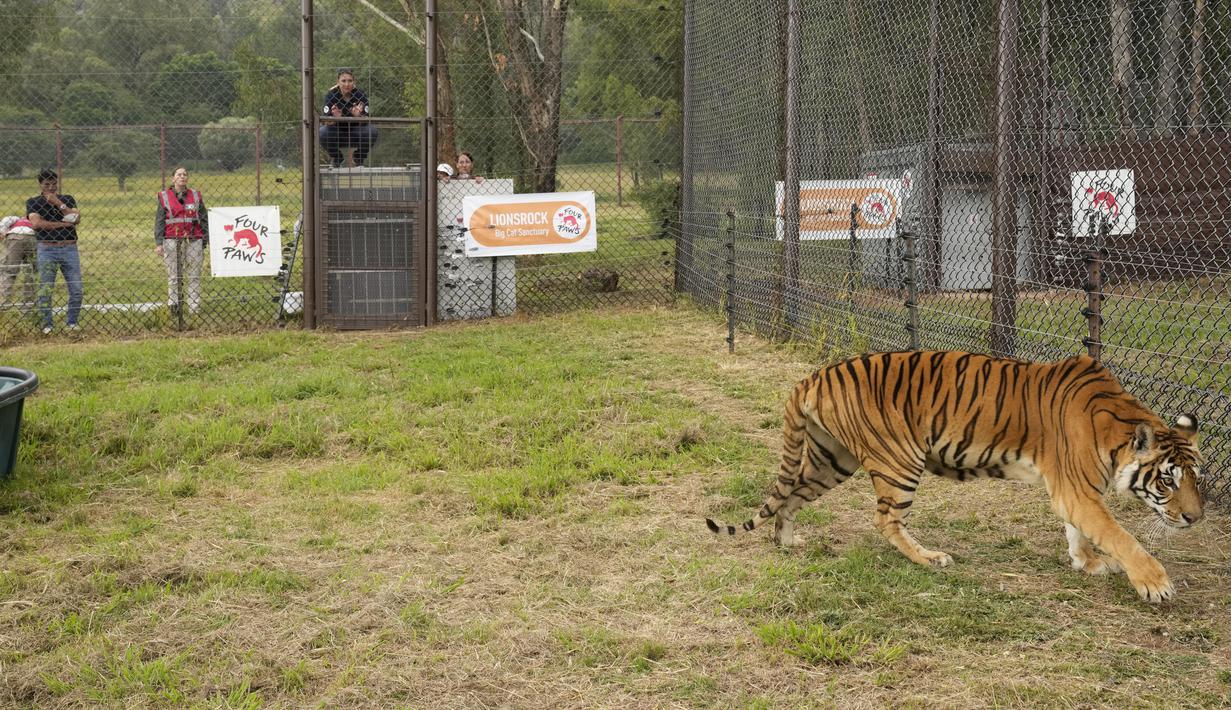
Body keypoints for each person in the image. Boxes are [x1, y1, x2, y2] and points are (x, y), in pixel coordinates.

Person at [26, 169, 82, 334]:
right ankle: (47, 325)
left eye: (53, 183)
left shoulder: (67, 199)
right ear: (40, 185)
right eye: (47, 184)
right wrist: (65, 224)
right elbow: (36, 224)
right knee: (46, 288)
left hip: (69, 247)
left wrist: (59, 203)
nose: (51, 187)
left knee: (76, 288)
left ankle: (72, 322)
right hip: (47, 248)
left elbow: (76, 219)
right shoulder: (33, 202)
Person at [155, 167, 208, 316]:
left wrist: (204, 239)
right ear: (173, 178)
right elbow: (159, 221)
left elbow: (203, 219)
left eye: (185, 174)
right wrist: (159, 243)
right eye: (179, 174)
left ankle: (194, 308)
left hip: (194, 239)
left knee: (194, 275)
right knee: (174, 275)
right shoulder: (164, 196)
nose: (182, 177)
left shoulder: (196, 196)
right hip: (172, 240)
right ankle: (174, 307)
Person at [319, 69, 378, 168]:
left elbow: (366, 120)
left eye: (350, 81)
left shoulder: (360, 95)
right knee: (322, 132)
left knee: (372, 131)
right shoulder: (331, 95)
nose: (347, 84)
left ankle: (359, 159)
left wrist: (358, 117)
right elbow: (325, 121)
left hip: (356, 131)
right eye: (343, 81)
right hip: (336, 131)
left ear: (354, 82)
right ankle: (337, 158)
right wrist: (335, 119)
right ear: (338, 82)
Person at [0, 215, 37, 310]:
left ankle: (5, 302)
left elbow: (3, 226)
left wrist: (4, 234)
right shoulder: (35, 219)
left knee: (9, 271)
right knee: (30, 271)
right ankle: (28, 302)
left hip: (15, 237)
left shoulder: (14, 219)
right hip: (33, 238)